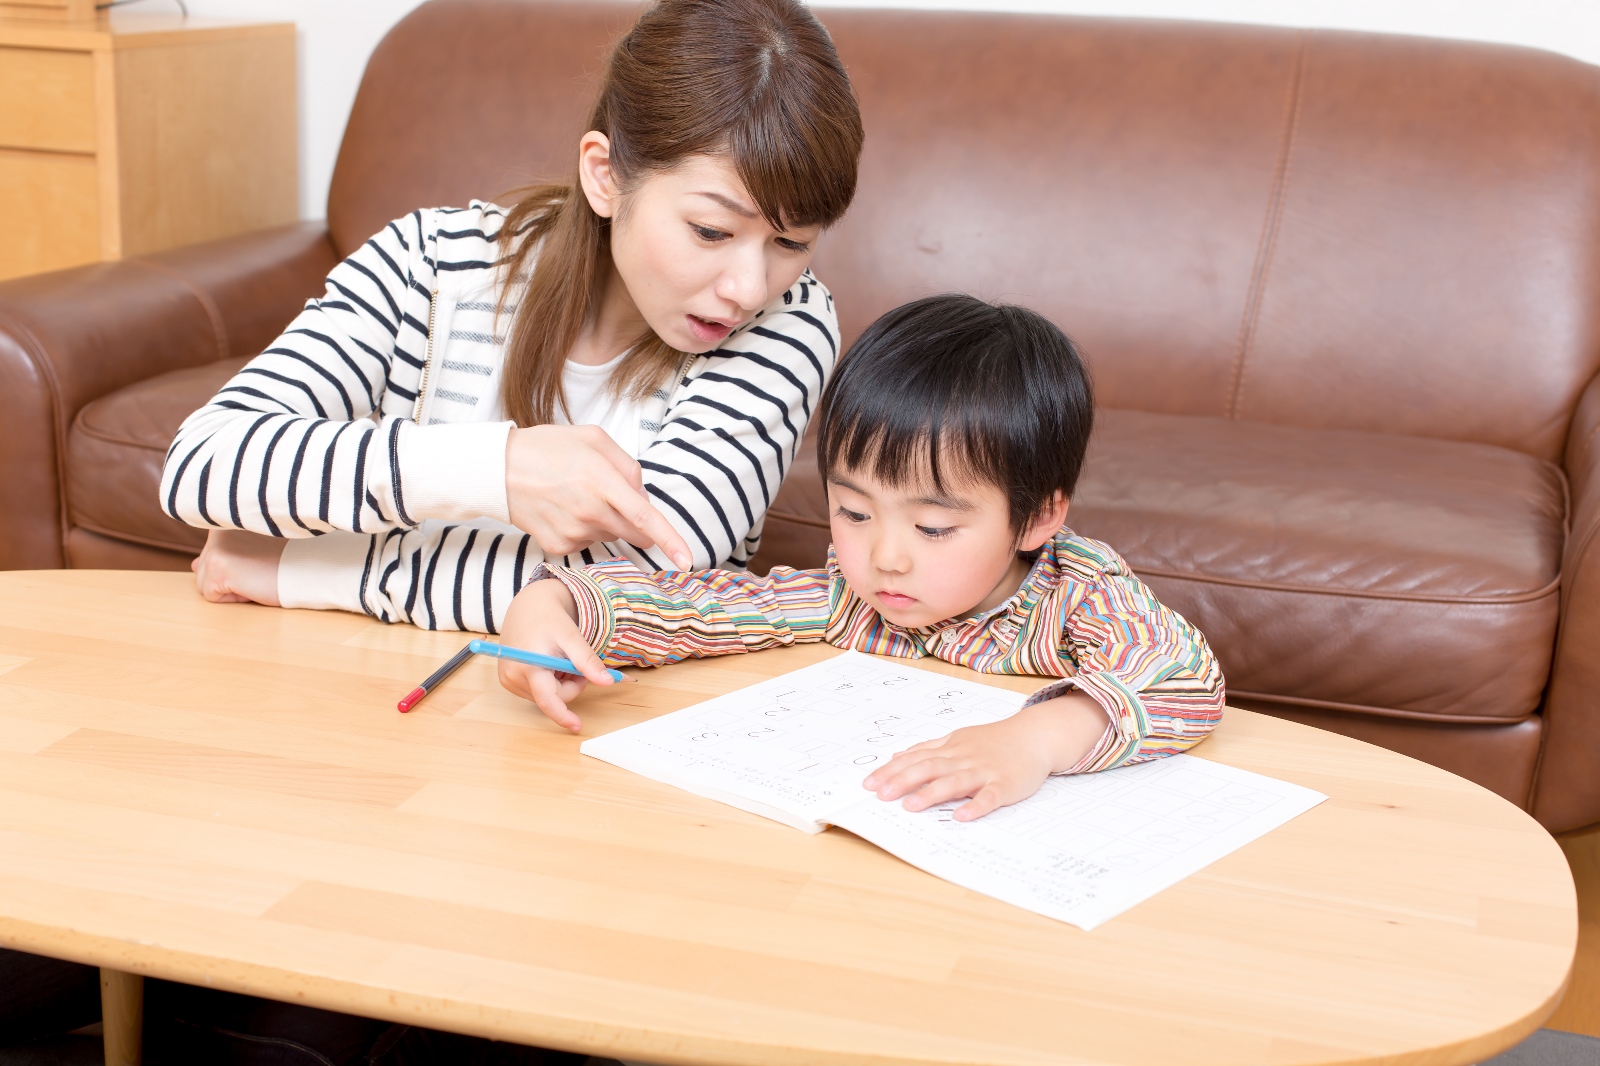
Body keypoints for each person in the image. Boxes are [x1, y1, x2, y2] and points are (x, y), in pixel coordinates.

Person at [68, 0, 863, 1061]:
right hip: (356, 759)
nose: (745, 284)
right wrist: (492, 468)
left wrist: (303, 570)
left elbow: (654, 582)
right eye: (712, 231)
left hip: (581, 809)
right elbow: (209, 465)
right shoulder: (431, 264)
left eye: (789, 243)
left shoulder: (787, 323)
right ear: (605, 173)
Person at [494, 295, 1227, 819]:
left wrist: (1034, 741)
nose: (884, 557)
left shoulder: (1078, 593)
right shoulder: (848, 592)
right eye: (852, 511)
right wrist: (558, 604)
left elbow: (1183, 676)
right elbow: (708, 606)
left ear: (1037, 517)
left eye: (934, 528)